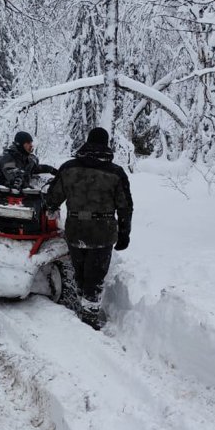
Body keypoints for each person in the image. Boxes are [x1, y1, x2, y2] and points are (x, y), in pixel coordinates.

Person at [46, 127, 133, 330]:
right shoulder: (116, 173)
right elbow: (125, 207)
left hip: (75, 229)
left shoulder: (68, 168)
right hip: (103, 231)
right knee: (95, 276)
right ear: (106, 145)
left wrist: (51, 210)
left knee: (80, 272)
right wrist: (124, 234)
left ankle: (81, 307)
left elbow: (52, 199)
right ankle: (90, 317)